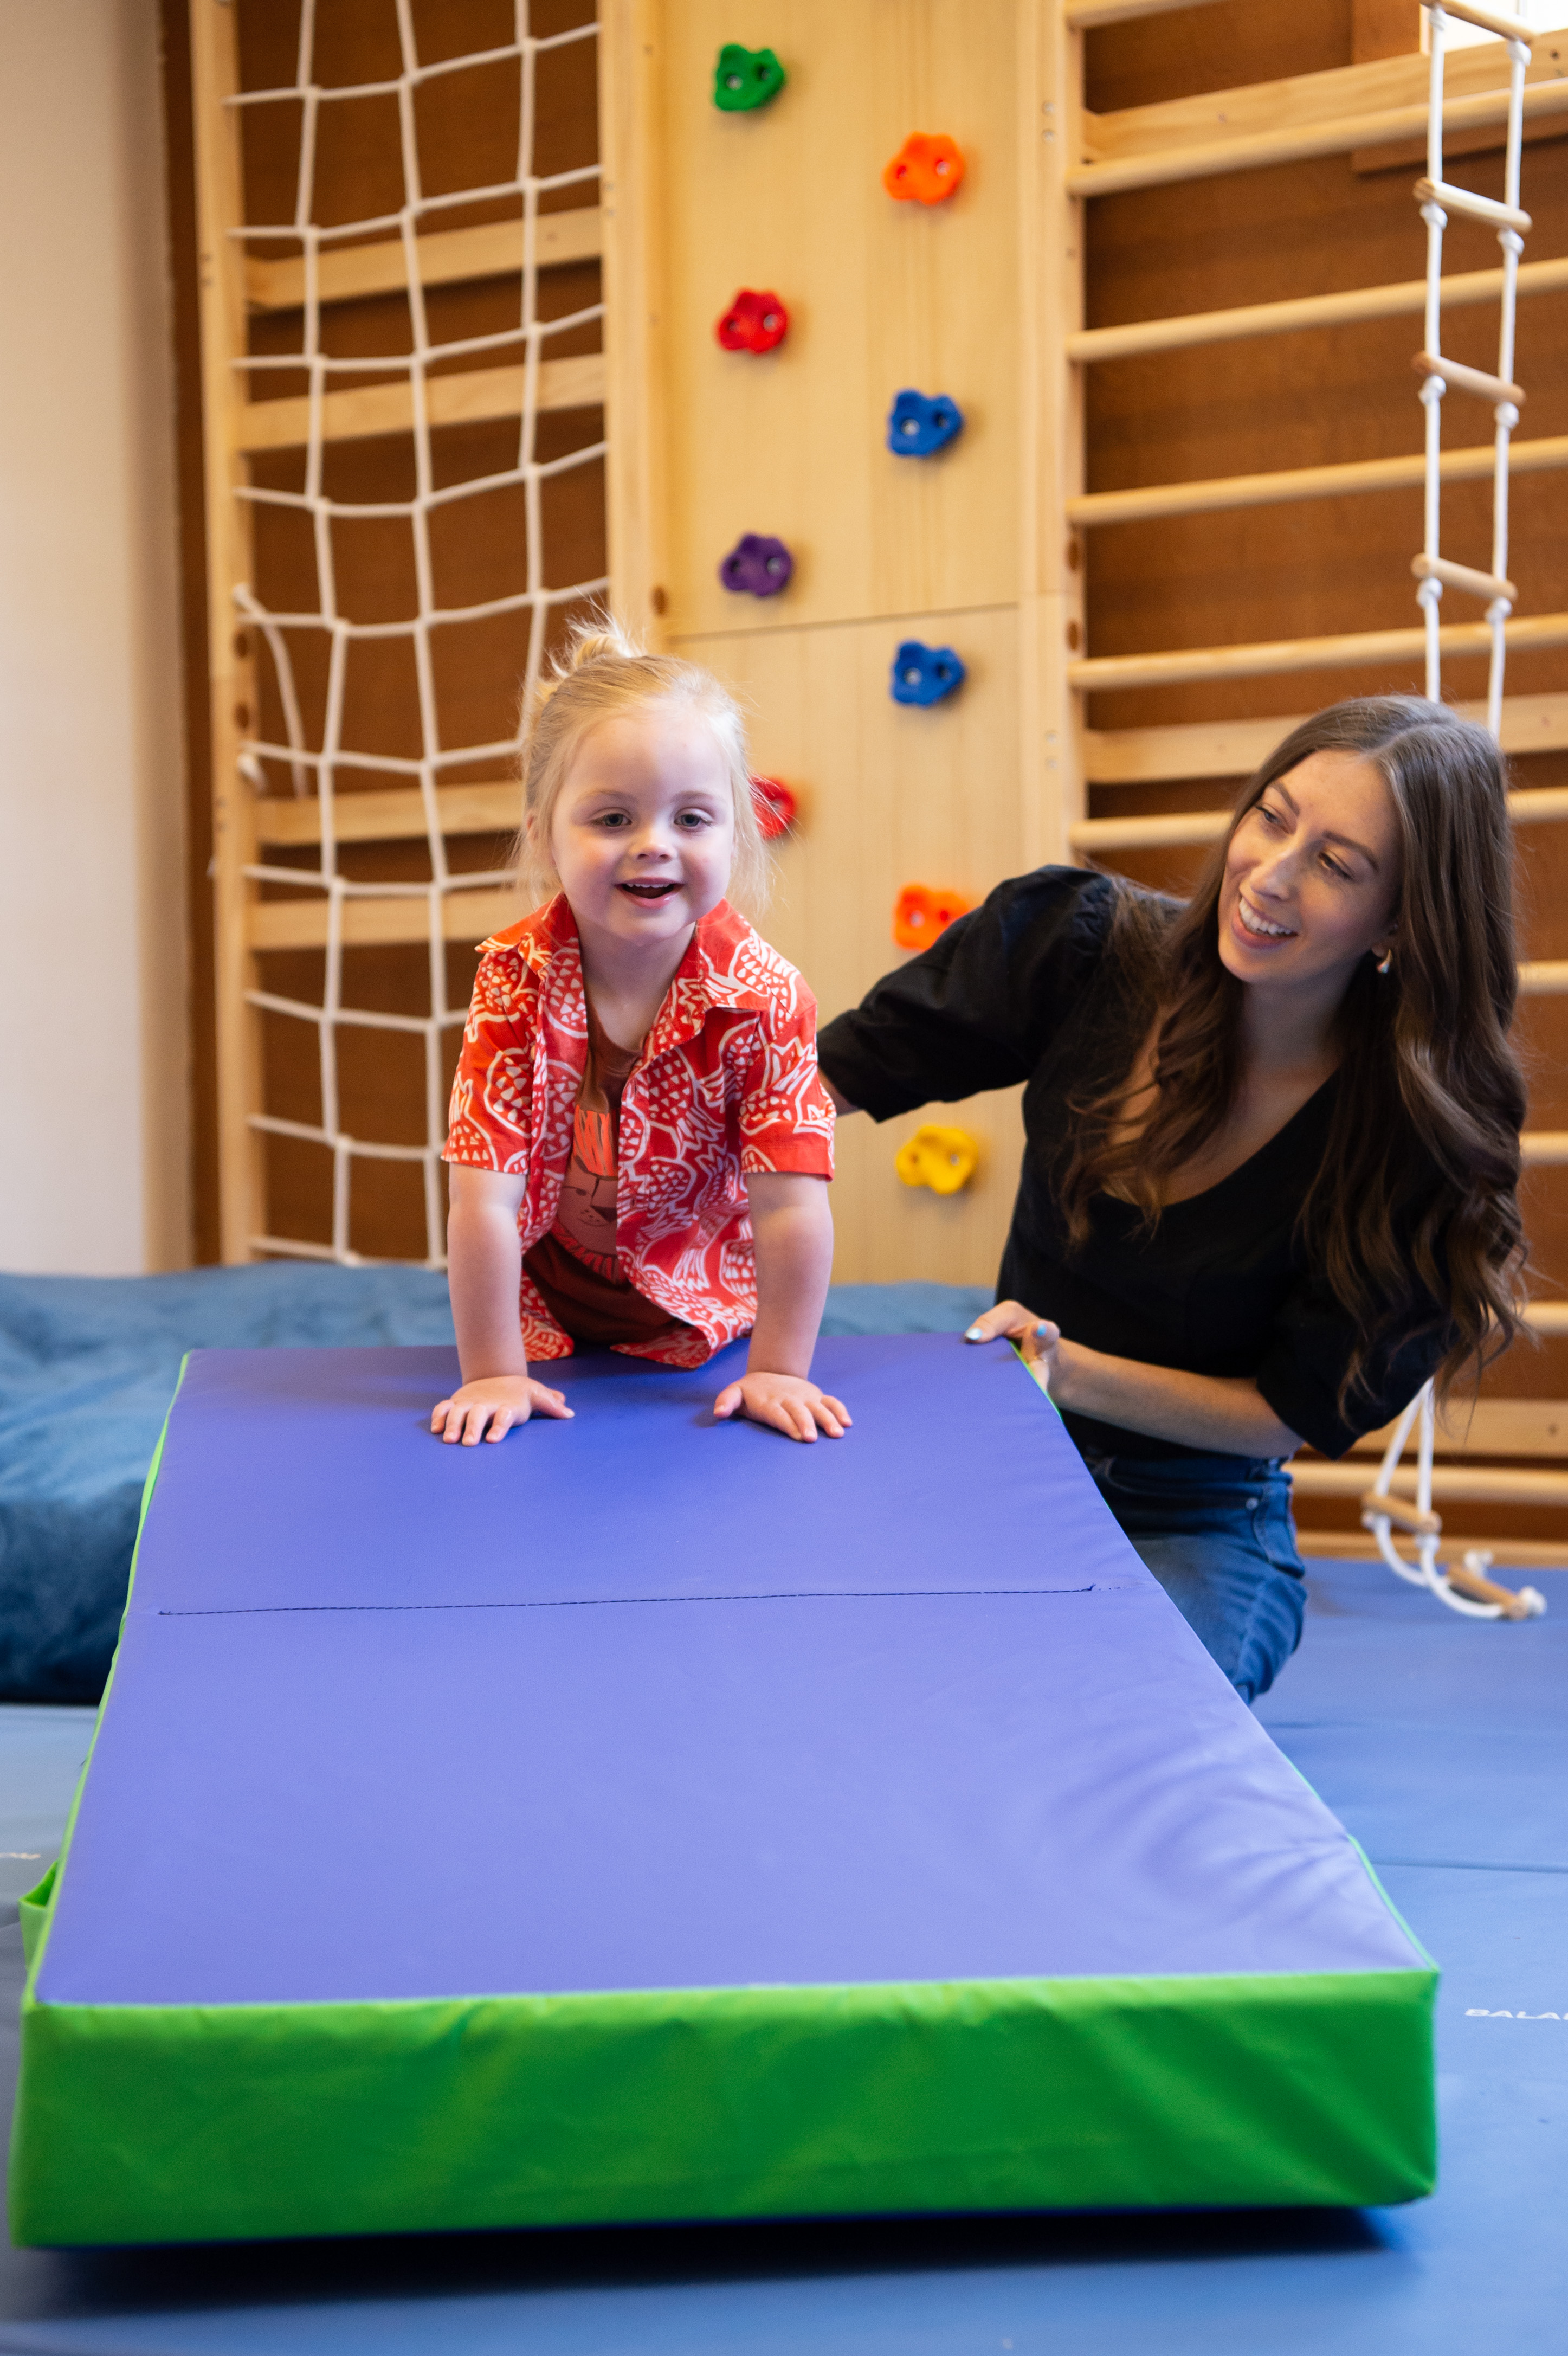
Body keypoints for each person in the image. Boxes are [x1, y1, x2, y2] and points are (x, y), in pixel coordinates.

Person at [817, 698, 1528, 1699]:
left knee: (1109, 1722)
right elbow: (827, 1081)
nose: (1271, 876)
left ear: (1402, 922)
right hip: (997, 1428)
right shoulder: (1079, 943)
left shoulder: (1415, 1149)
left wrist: (1066, 1369)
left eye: (1336, 864)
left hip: (1190, 1512)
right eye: (1272, 818)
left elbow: (1282, 1414)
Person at [433, 621, 848, 1447]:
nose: (654, 844)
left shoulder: (763, 998)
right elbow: (482, 1197)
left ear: (736, 833)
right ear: (545, 835)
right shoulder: (513, 977)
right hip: (543, 1305)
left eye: (693, 818)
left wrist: (778, 1367)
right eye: (614, 817)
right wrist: (492, 1369)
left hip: (696, 1311)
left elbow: (791, 1203)